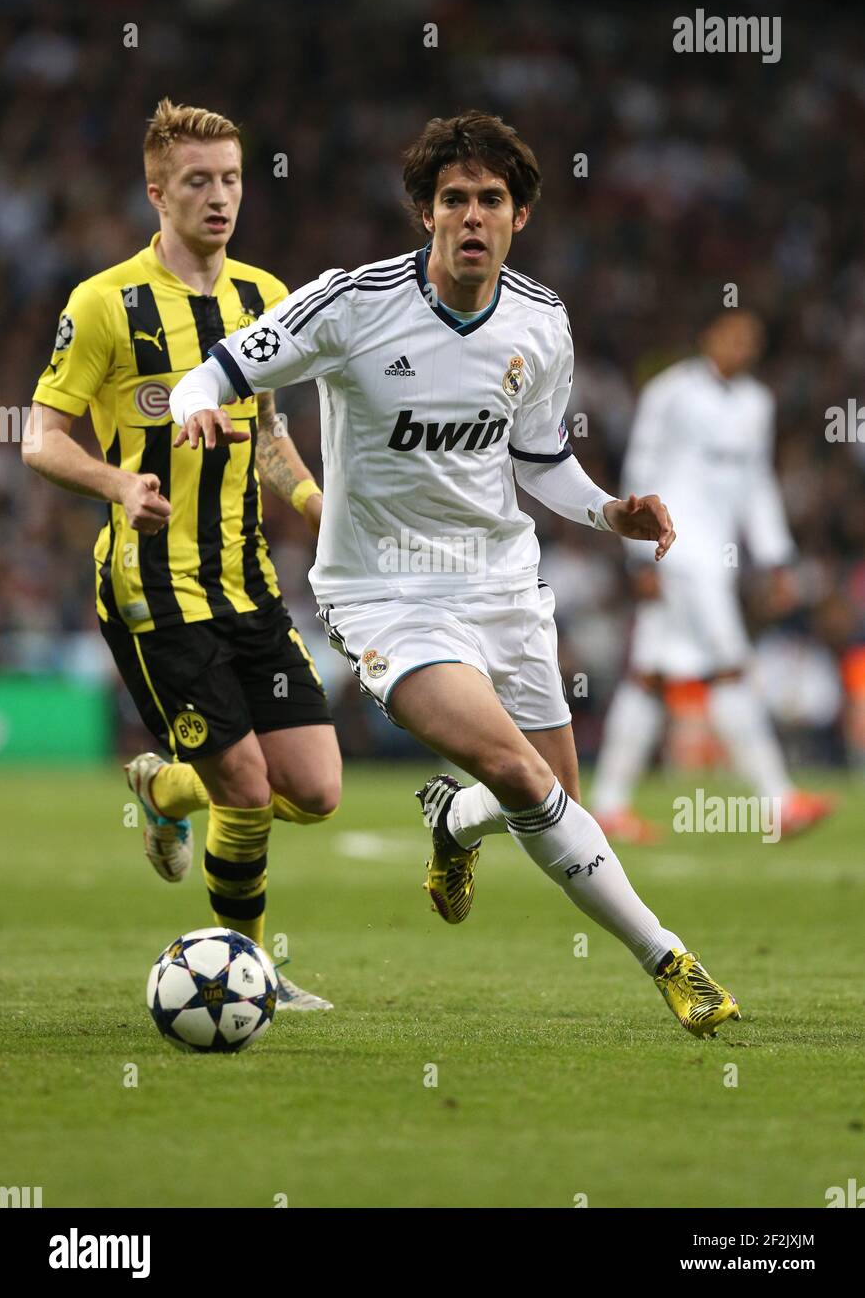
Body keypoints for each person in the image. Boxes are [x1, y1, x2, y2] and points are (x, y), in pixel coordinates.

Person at [169, 109, 740, 1038]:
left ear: (520, 218)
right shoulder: (351, 304)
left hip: (504, 584)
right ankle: (669, 957)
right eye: (453, 200)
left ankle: (452, 825)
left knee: (551, 791)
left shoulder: (542, 321)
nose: (472, 216)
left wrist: (609, 511)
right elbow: (218, 370)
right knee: (519, 770)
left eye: (491, 200)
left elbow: (539, 456)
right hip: (385, 593)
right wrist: (197, 408)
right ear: (424, 214)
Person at [23, 98, 341, 1011]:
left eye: (232, 179)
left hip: (249, 585)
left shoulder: (267, 298)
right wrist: (122, 486)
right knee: (243, 787)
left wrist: (317, 504)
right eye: (198, 181)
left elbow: (272, 434)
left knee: (315, 790)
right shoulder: (105, 303)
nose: (219, 197)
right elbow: (41, 438)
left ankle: (163, 790)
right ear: (156, 191)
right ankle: (249, 974)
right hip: (151, 587)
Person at [592, 310, 835, 843]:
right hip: (675, 552)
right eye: (733, 336)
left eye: (751, 339)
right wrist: (637, 554)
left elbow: (757, 486)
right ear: (707, 336)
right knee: (729, 667)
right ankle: (778, 800)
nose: (742, 346)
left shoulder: (757, 403)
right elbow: (641, 467)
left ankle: (608, 804)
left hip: (717, 560)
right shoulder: (670, 392)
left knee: (650, 676)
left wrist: (776, 558)